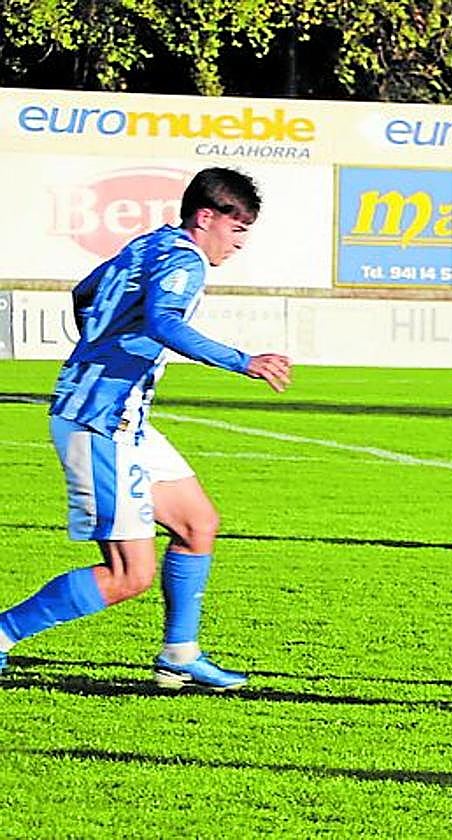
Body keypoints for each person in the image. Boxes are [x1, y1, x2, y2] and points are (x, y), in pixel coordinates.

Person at [0, 167, 292, 690]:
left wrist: (102, 345)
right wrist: (242, 361)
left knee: (197, 524)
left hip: (123, 416)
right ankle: (3, 634)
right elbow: (164, 322)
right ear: (206, 217)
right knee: (128, 575)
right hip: (99, 421)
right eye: (237, 228)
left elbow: (85, 292)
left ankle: (180, 653)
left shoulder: (150, 244)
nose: (239, 242)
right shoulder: (186, 260)